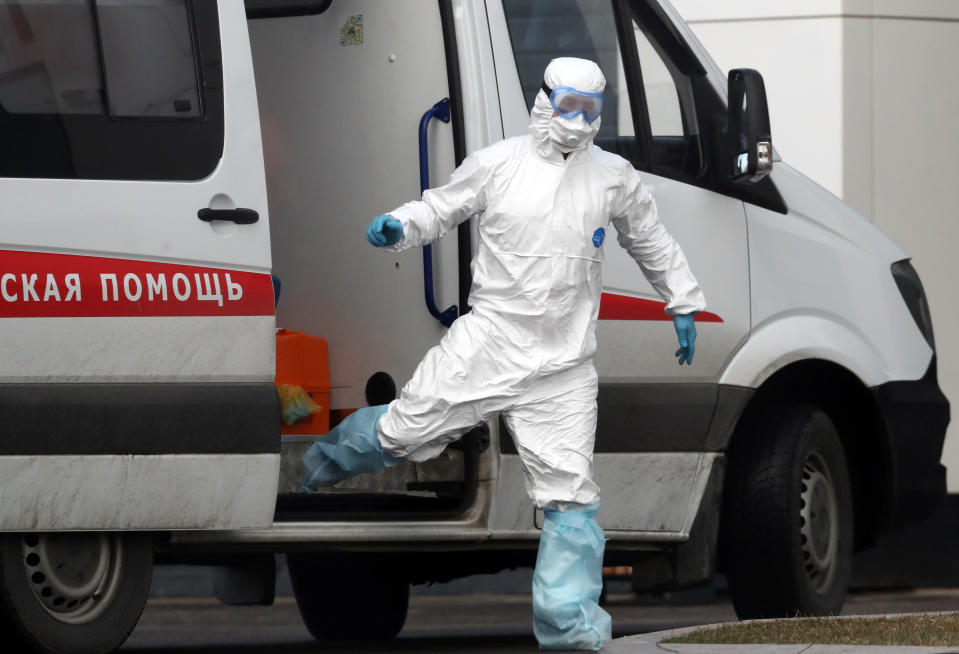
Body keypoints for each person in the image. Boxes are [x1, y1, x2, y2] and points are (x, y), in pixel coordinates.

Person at [302, 56, 706, 651]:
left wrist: (682, 300)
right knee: (404, 433)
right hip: (489, 342)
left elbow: (651, 238)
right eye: (568, 106)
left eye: (590, 110)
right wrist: (399, 224)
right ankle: (322, 461)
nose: (577, 120)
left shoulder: (613, 176)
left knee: (571, 496)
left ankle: (572, 633)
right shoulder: (499, 162)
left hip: (563, 366)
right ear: (543, 101)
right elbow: (442, 206)